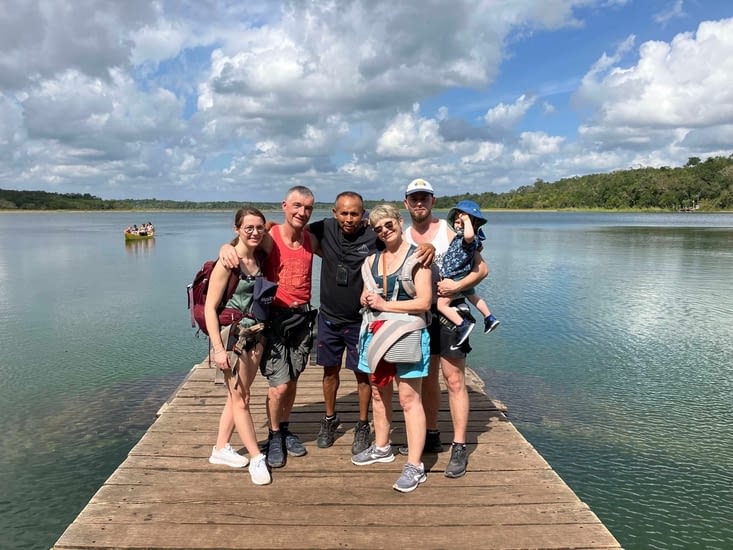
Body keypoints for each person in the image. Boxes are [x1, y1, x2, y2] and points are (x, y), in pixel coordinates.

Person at [220, 186, 317, 470]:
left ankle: (285, 429)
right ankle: (274, 435)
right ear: (284, 205)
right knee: (279, 384)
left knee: (293, 380)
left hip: (302, 318)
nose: (302, 212)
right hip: (274, 318)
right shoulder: (270, 236)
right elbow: (242, 243)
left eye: (308, 208)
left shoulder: (311, 239)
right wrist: (225, 247)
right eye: (297, 206)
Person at [401, 178, 488, 479]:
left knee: (454, 381)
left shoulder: (449, 231)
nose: (419, 203)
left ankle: (460, 445)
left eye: (424, 198)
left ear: (433, 201)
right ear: (406, 203)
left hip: (449, 314)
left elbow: (482, 268)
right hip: (418, 317)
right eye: (414, 199)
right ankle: (431, 432)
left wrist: (458, 285)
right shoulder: (402, 236)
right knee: (426, 379)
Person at [351, 204, 433, 493]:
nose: (385, 231)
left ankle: (415, 465)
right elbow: (366, 292)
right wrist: (366, 298)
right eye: (378, 229)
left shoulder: (419, 256)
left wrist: (385, 305)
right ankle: (382, 447)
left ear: (400, 222)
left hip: (408, 333)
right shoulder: (371, 261)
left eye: (389, 224)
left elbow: (424, 302)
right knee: (378, 392)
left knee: (410, 400)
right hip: (375, 334)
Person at [204, 206, 271, 485]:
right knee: (241, 399)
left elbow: (277, 226)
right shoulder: (228, 263)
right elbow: (210, 308)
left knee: (238, 397)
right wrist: (218, 350)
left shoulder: (258, 257)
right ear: (236, 229)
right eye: (248, 228)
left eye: (259, 227)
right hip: (233, 339)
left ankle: (220, 449)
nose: (255, 232)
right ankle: (256, 458)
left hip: (256, 337)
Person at [307, 192, 377, 454]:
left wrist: (426, 248)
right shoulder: (324, 228)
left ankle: (361, 424)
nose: (349, 219)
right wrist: (268, 226)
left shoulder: (372, 234)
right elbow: (290, 231)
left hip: (361, 319)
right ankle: (329, 418)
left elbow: (399, 245)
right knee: (329, 371)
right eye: (344, 213)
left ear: (363, 214)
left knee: (362, 373)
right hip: (328, 317)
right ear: (335, 212)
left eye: (355, 214)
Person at [437, 199, 500, 348]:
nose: (458, 225)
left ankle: (462, 324)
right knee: (474, 297)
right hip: (462, 274)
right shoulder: (464, 240)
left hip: (456, 276)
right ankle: (489, 317)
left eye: (462, 223)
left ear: (472, 225)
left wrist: (466, 220)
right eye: (457, 222)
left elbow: (469, 236)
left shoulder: (468, 239)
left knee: (441, 305)